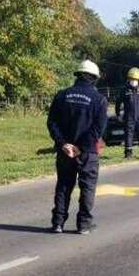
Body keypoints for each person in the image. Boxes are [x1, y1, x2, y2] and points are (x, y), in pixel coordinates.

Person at [47, 60, 108, 235]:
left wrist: (62, 143)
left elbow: (52, 122)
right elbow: (98, 129)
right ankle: (83, 225)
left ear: (77, 75)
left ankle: (58, 223)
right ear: (94, 78)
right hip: (88, 152)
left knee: (64, 186)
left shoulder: (61, 95)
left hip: (65, 151)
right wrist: (81, 147)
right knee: (87, 187)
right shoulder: (99, 100)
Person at [115, 67, 139, 162]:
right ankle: (128, 155)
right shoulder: (124, 91)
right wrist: (118, 114)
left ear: (138, 80)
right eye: (132, 79)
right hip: (129, 117)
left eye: (135, 79)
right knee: (128, 136)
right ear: (128, 79)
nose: (134, 81)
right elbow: (118, 103)